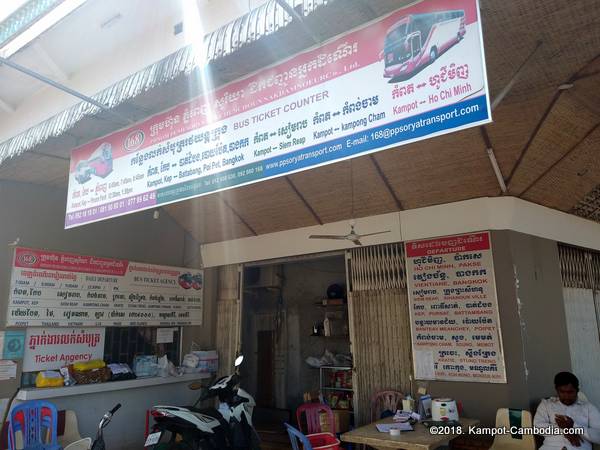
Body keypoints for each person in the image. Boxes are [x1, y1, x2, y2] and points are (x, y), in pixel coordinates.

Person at [534, 372, 600, 450]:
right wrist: (566, 430)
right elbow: (538, 428)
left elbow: (598, 436)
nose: (566, 396)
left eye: (570, 392)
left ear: (577, 390)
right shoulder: (546, 405)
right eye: (562, 392)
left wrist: (574, 426)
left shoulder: (589, 408)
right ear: (556, 390)